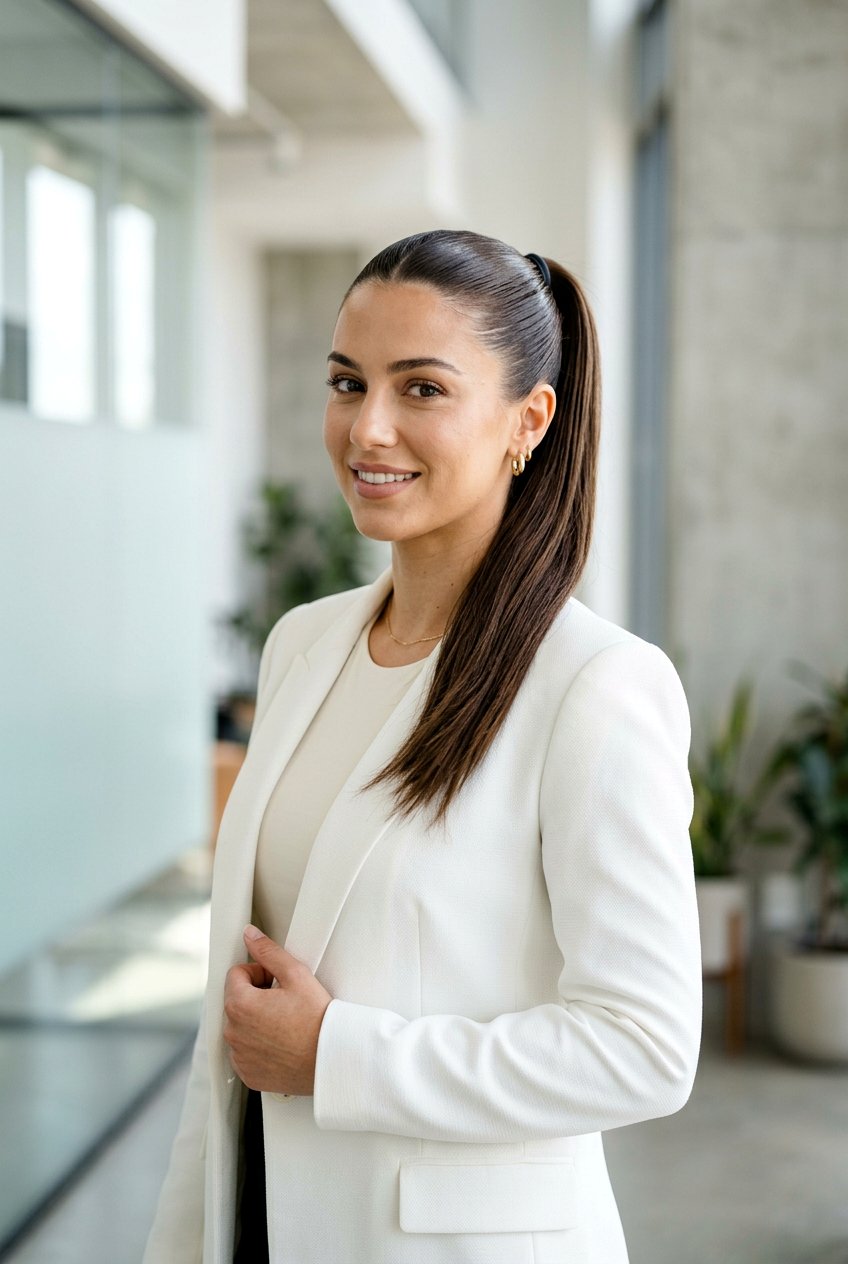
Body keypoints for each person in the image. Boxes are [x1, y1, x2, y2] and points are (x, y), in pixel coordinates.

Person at [143, 228, 702, 1264]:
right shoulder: (302, 645)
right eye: (347, 382)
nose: (369, 428)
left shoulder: (592, 685)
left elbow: (645, 1047)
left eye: (423, 389)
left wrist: (336, 1054)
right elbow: (235, 1022)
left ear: (525, 420)